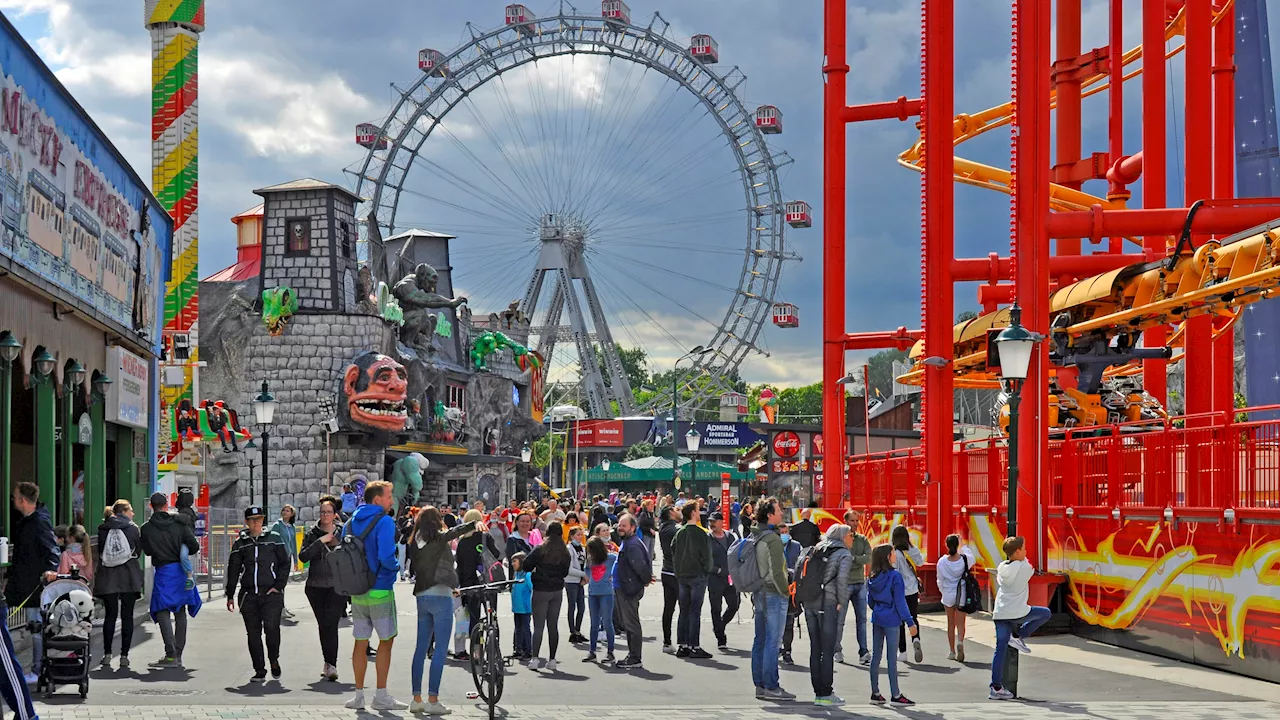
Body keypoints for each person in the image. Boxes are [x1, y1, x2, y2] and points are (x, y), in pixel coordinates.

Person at [408, 506, 483, 715]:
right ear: (437, 520)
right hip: (441, 596)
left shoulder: (414, 542)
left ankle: (416, 699)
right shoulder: (439, 538)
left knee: (421, 649)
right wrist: (473, 523)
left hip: (422, 596)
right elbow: (455, 532)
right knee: (440, 648)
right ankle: (433, 700)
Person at [344, 481, 405, 711]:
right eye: (389, 497)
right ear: (377, 499)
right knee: (386, 641)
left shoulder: (349, 523)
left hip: (358, 591)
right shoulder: (385, 521)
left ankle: (358, 696)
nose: (392, 501)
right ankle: (380, 695)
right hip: (380, 589)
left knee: (360, 641)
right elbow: (386, 556)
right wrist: (397, 567)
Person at [225, 505, 291, 681]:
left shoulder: (274, 539)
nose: (256, 523)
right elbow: (233, 569)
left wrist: (279, 586)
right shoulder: (241, 543)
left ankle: (274, 660)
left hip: (271, 594)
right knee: (253, 633)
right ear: (246, 522)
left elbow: (285, 563)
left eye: (259, 519)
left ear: (263, 521)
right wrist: (230, 594)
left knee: (271, 629)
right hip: (249, 595)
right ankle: (259, 669)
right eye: (252, 520)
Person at [139, 491, 201, 668]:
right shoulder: (179, 523)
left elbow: (148, 551)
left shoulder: (146, 528)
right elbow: (194, 546)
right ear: (167, 505)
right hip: (180, 571)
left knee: (161, 610)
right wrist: (182, 551)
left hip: (163, 571)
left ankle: (170, 653)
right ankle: (178, 654)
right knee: (180, 611)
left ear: (151, 506)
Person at [7, 482, 59, 683]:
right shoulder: (30, 521)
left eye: (14, 497)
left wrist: (51, 570)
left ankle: (38, 671)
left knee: (36, 628)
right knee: (34, 626)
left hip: (34, 585)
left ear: (22, 500)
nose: (13, 501)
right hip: (26, 583)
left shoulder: (38, 522)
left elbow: (52, 548)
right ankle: (38, 670)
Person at [989, 536, 1052, 700]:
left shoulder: (1002, 567)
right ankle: (1018, 635)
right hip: (1019, 612)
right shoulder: (1025, 567)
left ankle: (995, 687)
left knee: (999, 649)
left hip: (1001, 612)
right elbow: (1031, 568)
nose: (1026, 551)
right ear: (1017, 552)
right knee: (1045, 613)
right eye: (1023, 548)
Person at [751, 498, 794, 701]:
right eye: (778, 510)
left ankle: (760, 684)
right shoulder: (773, 539)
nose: (781, 513)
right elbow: (777, 572)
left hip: (759, 591)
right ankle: (771, 685)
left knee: (760, 639)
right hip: (773, 593)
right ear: (770, 515)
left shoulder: (757, 534)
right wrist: (786, 592)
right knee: (773, 641)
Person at [806, 525, 853, 706]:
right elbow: (842, 580)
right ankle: (826, 693)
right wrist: (842, 601)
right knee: (827, 648)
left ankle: (818, 693)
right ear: (842, 536)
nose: (852, 538)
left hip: (810, 601)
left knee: (815, 648)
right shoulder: (844, 554)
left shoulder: (817, 548)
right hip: (828, 603)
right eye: (850, 535)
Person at [300, 495, 345, 681]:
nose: (325, 515)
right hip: (316, 586)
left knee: (331, 624)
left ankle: (331, 664)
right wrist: (321, 542)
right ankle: (327, 662)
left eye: (328, 512)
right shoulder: (312, 533)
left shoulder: (343, 532)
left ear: (335, 515)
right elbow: (303, 557)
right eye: (322, 512)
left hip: (338, 586)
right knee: (323, 624)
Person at [95, 499, 144, 670]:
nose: (133, 513)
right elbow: (138, 551)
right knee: (127, 616)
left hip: (108, 576)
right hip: (129, 576)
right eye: (131, 510)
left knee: (110, 616)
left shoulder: (102, 529)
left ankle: (107, 654)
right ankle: (124, 655)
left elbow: (100, 551)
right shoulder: (133, 528)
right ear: (123, 511)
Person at [867, 543, 917, 706]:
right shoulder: (895, 576)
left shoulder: (872, 576)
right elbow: (900, 602)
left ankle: (875, 693)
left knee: (876, 656)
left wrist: (879, 609)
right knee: (891, 659)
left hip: (878, 617)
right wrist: (910, 622)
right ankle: (895, 694)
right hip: (892, 619)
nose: (895, 554)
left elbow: (871, 601)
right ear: (888, 557)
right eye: (893, 552)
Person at [523, 520, 571, 671]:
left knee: (538, 626)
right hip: (557, 590)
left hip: (541, 589)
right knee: (553, 625)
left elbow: (526, 565)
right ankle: (552, 659)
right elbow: (565, 572)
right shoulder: (565, 551)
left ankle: (535, 658)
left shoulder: (540, 549)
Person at [672, 502, 713, 658]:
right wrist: (707, 571)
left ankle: (682, 645)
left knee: (684, 610)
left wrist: (678, 570)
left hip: (682, 575)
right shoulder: (701, 533)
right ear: (694, 513)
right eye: (697, 510)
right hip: (697, 575)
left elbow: (673, 550)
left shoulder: (680, 532)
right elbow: (707, 556)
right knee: (695, 610)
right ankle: (694, 645)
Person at [834, 508, 872, 665]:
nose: (855, 524)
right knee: (840, 620)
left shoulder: (862, 539)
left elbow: (869, 557)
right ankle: (837, 649)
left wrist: (853, 559)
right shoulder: (840, 541)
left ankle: (863, 651)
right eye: (852, 521)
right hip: (844, 584)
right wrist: (859, 560)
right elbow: (840, 560)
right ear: (845, 521)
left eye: (857, 521)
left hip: (859, 583)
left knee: (862, 619)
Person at [612, 514, 651, 669]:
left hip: (628, 590)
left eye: (624, 525)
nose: (620, 528)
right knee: (627, 623)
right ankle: (632, 655)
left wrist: (644, 580)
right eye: (619, 525)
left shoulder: (632, 545)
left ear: (633, 528)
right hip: (624, 588)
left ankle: (635, 657)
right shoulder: (628, 542)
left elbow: (640, 566)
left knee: (631, 623)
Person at [936, 533, 976, 662]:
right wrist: (963, 545)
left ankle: (952, 651)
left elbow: (940, 580)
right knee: (961, 623)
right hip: (961, 593)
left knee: (950, 623)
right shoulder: (964, 559)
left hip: (948, 594)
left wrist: (943, 592)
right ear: (957, 545)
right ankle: (960, 642)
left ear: (946, 545)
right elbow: (972, 558)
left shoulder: (942, 562)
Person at [890, 526, 925, 663]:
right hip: (912, 589)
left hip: (900, 591)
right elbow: (920, 562)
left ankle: (902, 651)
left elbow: (894, 571)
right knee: (913, 617)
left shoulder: (895, 553)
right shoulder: (912, 550)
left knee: (900, 621)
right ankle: (916, 639)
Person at [706, 512, 739, 650]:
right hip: (714, 578)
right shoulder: (707, 538)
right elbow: (705, 559)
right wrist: (717, 570)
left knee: (734, 605)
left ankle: (720, 625)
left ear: (721, 522)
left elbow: (738, 553)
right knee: (716, 608)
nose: (712, 524)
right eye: (710, 522)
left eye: (714, 521)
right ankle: (721, 638)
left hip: (731, 579)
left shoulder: (730, 537)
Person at [583, 535, 617, 663]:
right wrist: (586, 578)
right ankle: (592, 651)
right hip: (593, 593)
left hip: (606, 593)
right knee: (594, 623)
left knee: (607, 622)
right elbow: (587, 571)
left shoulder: (611, 558)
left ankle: (610, 652)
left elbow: (621, 564)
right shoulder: (590, 559)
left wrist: (614, 578)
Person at [777, 523, 803, 665]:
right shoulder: (774, 546)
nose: (784, 534)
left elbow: (799, 565)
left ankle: (787, 651)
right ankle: (777, 648)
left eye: (786, 532)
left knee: (789, 622)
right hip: (777, 587)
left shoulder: (796, 546)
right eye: (781, 532)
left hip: (791, 588)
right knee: (776, 622)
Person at [656, 505, 680, 653]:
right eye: (676, 509)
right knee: (684, 608)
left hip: (666, 570)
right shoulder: (675, 529)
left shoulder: (663, 528)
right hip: (676, 571)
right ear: (671, 513)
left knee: (668, 608)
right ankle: (684, 642)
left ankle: (667, 641)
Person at [270, 504, 299, 619]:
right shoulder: (277, 525)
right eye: (284, 510)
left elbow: (293, 543)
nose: (285, 512)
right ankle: (278, 608)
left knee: (283, 584)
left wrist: (296, 560)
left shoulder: (291, 527)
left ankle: (281, 607)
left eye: (288, 511)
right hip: (278, 558)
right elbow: (272, 540)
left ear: (292, 514)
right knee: (279, 583)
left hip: (287, 558)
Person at [565, 525, 588, 644]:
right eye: (578, 535)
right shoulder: (569, 548)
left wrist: (584, 577)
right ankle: (572, 631)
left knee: (582, 607)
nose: (580, 537)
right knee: (572, 606)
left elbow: (584, 563)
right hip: (571, 581)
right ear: (572, 536)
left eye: (581, 534)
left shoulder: (582, 548)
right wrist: (583, 574)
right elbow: (569, 569)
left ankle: (578, 630)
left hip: (580, 581)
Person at [510, 552, 533, 660]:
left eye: (515, 561)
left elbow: (532, 589)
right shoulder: (516, 574)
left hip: (525, 607)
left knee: (525, 629)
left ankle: (528, 650)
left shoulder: (527, 575)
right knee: (518, 629)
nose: (513, 564)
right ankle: (518, 649)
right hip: (517, 608)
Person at [174, 488, 198, 591]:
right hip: (186, 540)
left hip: (185, 540)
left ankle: (189, 575)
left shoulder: (185, 513)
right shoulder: (190, 511)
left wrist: (171, 515)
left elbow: (183, 519)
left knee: (183, 556)